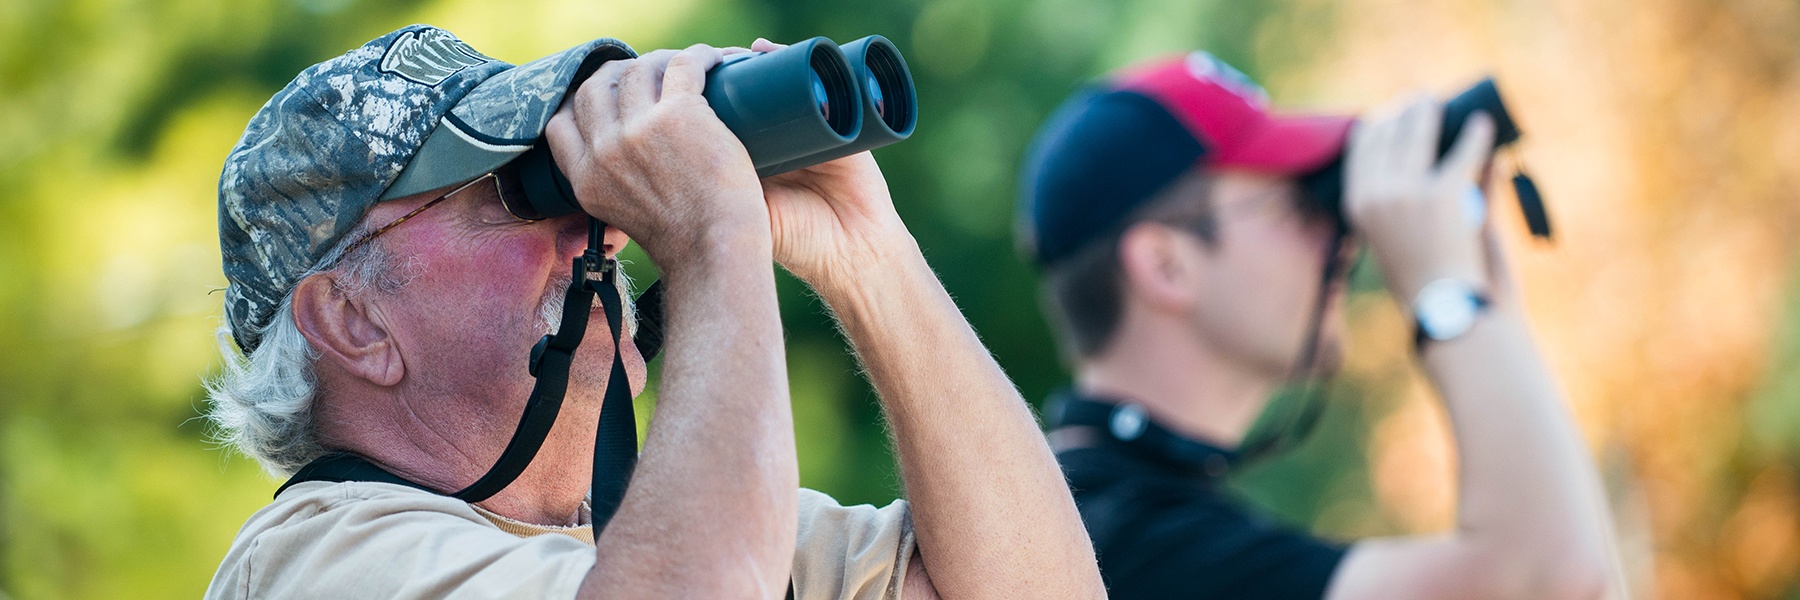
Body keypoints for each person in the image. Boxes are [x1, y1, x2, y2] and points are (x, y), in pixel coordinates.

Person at [203, 25, 1104, 599]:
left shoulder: (684, 528)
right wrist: (715, 235)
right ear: (355, 322)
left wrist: (869, 258)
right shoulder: (317, 563)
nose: (598, 227)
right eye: (520, 194)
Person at [1015, 51, 1624, 599]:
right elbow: (1552, 582)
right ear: (1167, 266)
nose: (1339, 235)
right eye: (1301, 203)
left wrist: (1490, 314)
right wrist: (1450, 301)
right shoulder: (1113, 542)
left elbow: (1578, 571)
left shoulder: (1112, 510)